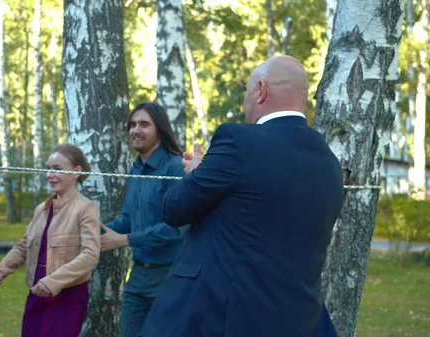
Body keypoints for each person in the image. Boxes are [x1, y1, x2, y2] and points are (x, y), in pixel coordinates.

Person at [138, 55, 344, 337]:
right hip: (295, 320)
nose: (246, 99)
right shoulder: (329, 162)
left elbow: (175, 209)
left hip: (219, 317)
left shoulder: (238, 141)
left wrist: (196, 174)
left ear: (261, 90)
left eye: (247, 90)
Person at [0, 144, 100, 337]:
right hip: (37, 292)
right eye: (48, 168)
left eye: (57, 169)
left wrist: (52, 282)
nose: (50, 174)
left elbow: (90, 256)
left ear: (76, 172)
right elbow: (24, 244)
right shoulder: (42, 208)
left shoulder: (86, 208)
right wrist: (3, 268)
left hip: (68, 297)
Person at [100, 102, 187, 337]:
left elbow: (176, 228)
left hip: (169, 276)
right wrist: (95, 230)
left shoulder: (176, 168)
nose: (135, 130)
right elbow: (130, 220)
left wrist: (124, 240)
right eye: (132, 124)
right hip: (138, 276)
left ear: (160, 129)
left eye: (144, 124)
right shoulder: (135, 170)